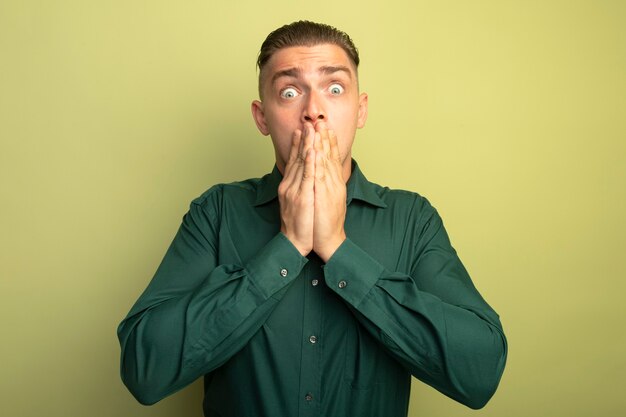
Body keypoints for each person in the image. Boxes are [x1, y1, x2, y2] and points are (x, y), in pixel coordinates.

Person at [117, 20, 507, 417]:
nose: (314, 111)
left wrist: (337, 249)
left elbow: (479, 374)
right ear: (262, 117)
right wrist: (286, 248)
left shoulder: (412, 219)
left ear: (360, 110)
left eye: (334, 89)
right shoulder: (216, 212)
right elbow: (145, 371)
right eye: (289, 92)